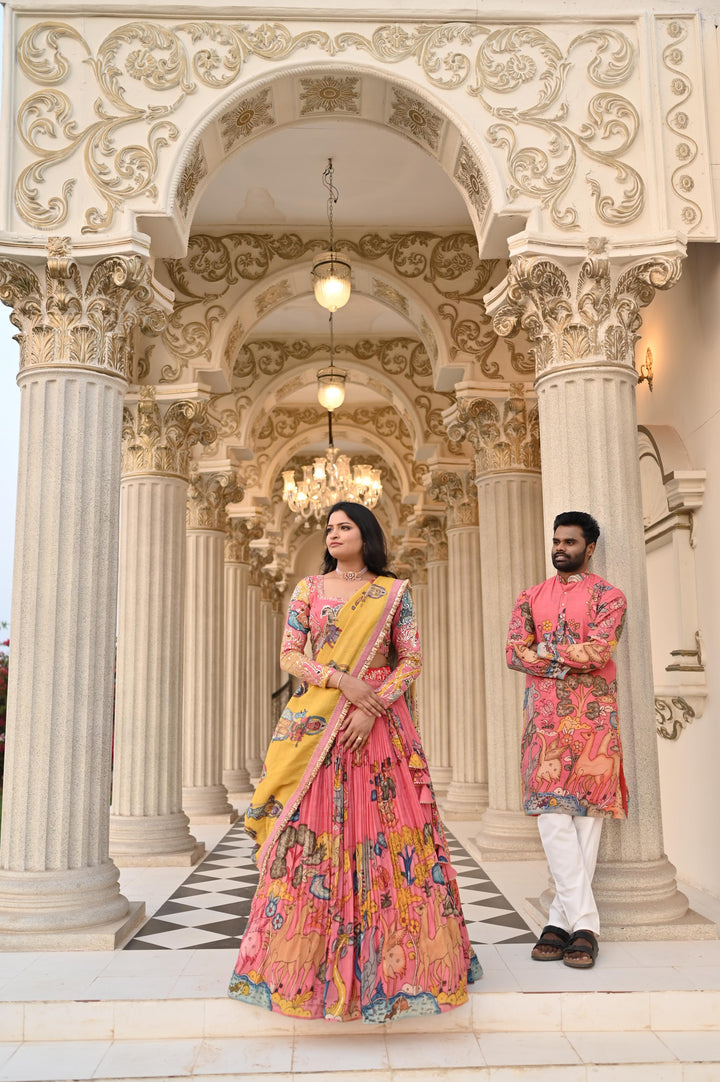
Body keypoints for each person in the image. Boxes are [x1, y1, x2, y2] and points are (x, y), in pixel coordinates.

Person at [229, 501, 481, 1021]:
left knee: (388, 840)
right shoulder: (308, 590)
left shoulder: (393, 593)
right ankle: (302, 972)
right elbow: (291, 656)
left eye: (344, 526)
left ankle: (399, 973)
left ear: (366, 534)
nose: (333, 533)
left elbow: (410, 659)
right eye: (329, 528)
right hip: (318, 723)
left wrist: (373, 707)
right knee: (311, 836)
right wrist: (343, 682)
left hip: (379, 731)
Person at [506, 511, 628, 970]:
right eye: (556, 541)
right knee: (552, 817)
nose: (560, 548)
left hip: (594, 718)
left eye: (570, 542)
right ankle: (586, 925)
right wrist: (563, 659)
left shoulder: (610, 597)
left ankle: (560, 924)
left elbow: (599, 651)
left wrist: (543, 652)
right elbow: (512, 653)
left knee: (587, 820)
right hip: (544, 720)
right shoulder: (530, 596)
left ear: (589, 548)